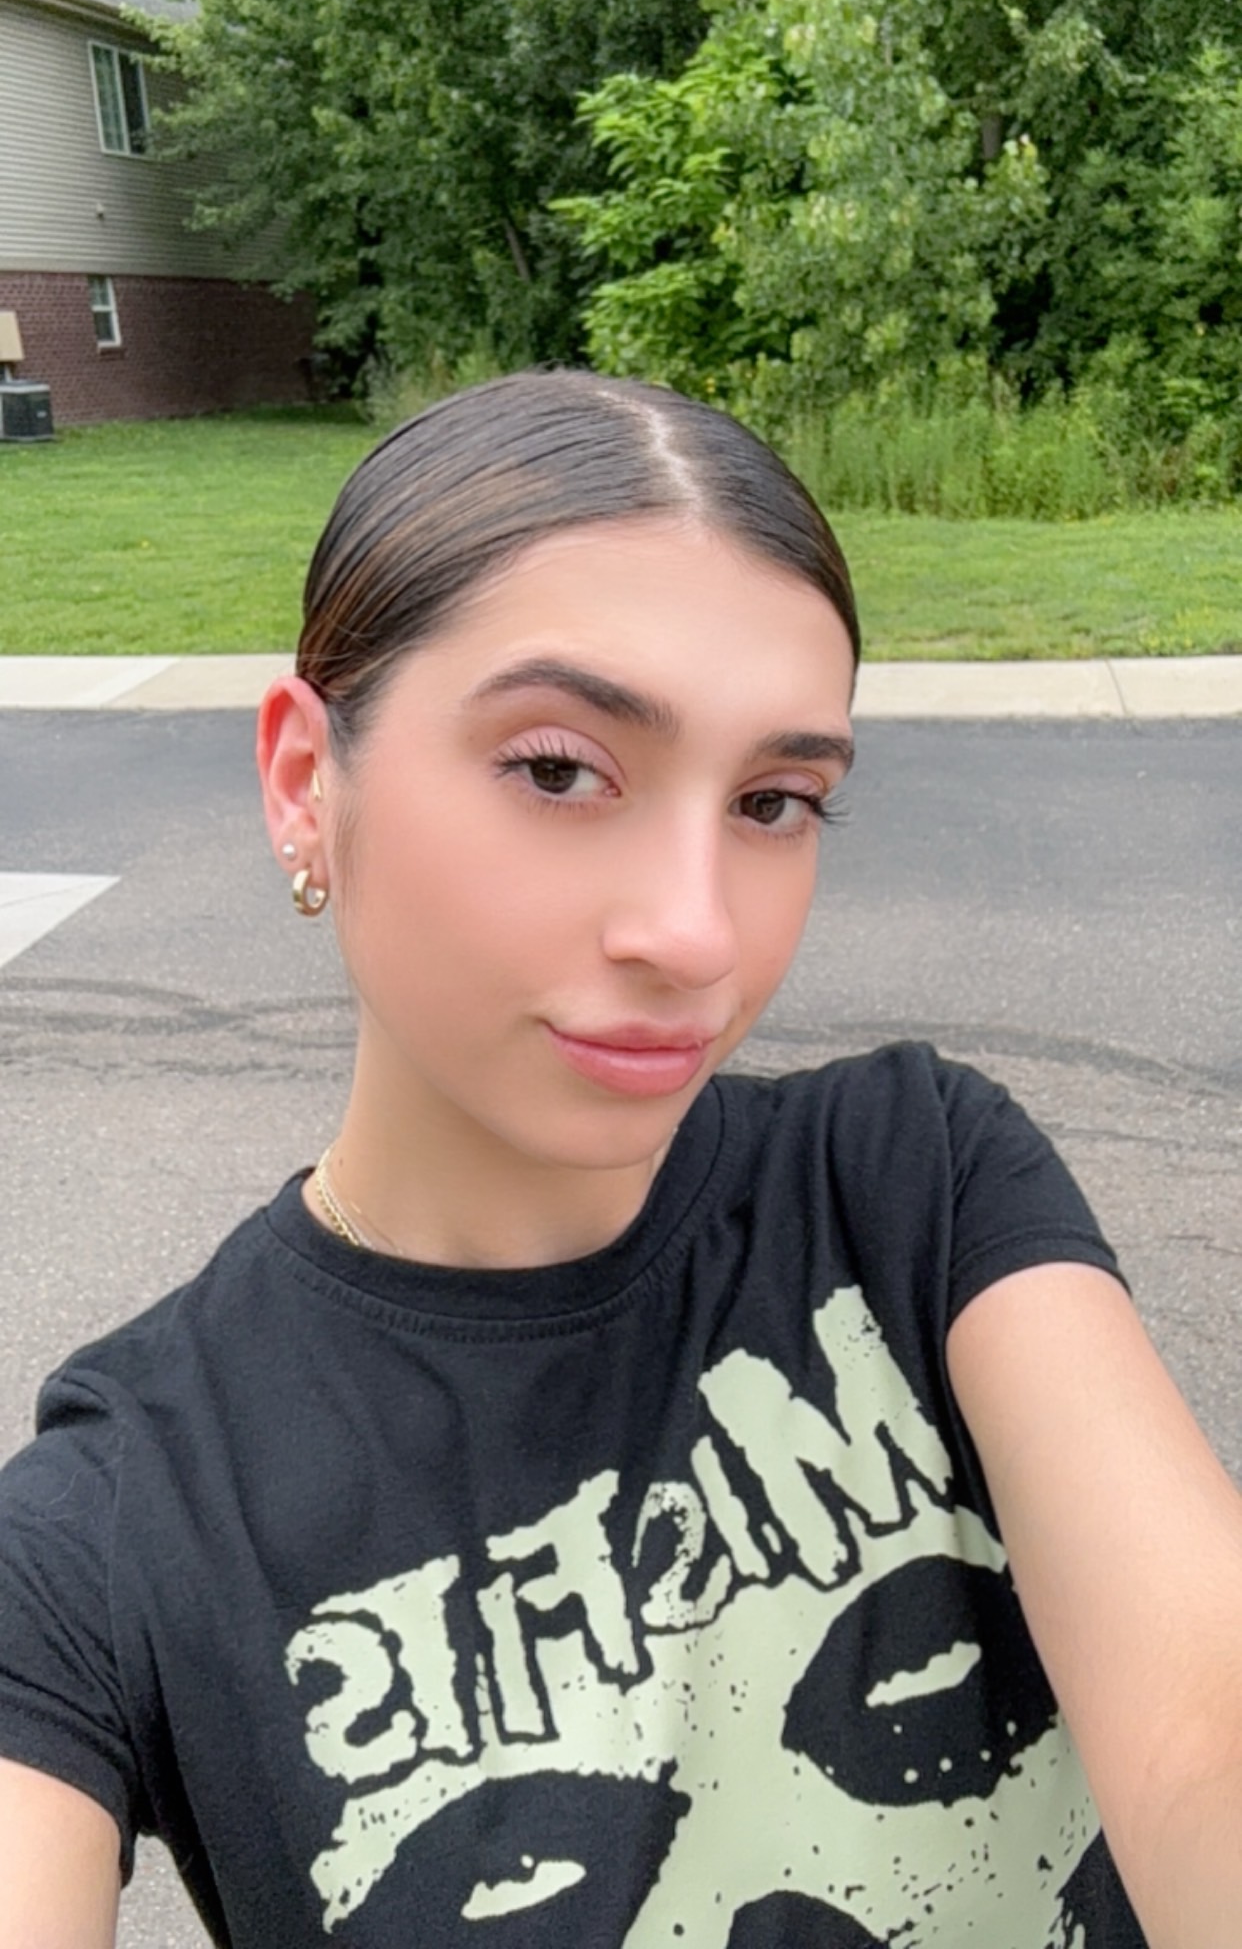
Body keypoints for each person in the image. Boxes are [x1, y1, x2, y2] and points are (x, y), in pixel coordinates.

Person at [0, 370, 1240, 1949]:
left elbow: (1201, 1726)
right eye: (556, 769)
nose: (695, 933)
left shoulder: (913, 1188)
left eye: (773, 801)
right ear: (307, 782)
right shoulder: (122, 1519)